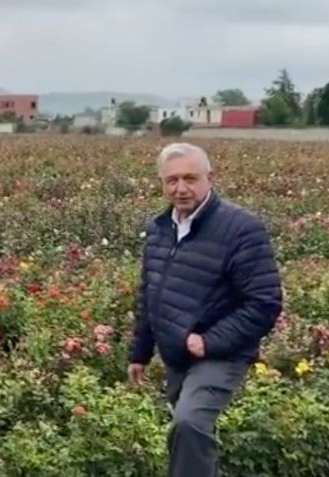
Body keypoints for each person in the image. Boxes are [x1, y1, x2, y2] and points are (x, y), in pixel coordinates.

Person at [127, 142, 283, 477]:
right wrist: (140, 352)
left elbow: (265, 301)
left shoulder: (240, 228)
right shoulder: (160, 229)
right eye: (171, 180)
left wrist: (210, 341)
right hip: (177, 355)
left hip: (221, 353)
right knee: (188, 436)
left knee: (189, 423)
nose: (180, 188)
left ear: (209, 178)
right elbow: (150, 293)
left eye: (190, 178)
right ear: (161, 182)